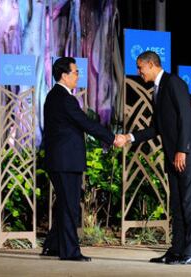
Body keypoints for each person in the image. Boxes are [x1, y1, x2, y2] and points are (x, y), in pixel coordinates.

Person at [122, 51, 191, 265]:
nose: (138, 72)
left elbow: (186, 116)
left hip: (189, 154)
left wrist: (182, 149)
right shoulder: (157, 90)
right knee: (178, 205)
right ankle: (178, 250)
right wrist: (129, 137)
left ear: (151, 65)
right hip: (174, 156)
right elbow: (156, 128)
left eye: (140, 67)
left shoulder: (174, 83)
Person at [40, 57, 125, 261]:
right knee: (69, 206)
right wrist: (112, 137)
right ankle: (70, 252)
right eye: (76, 72)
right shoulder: (64, 98)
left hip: (61, 160)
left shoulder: (54, 96)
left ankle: (53, 245)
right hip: (65, 161)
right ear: (64, 75)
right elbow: (84, 122)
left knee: (64, 203)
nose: (79, 76)